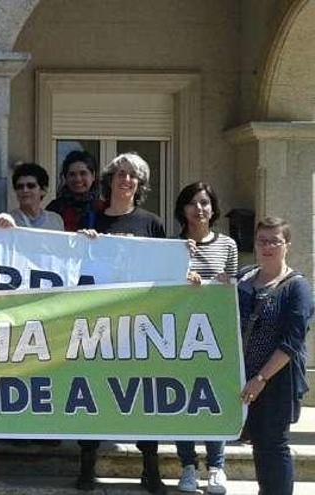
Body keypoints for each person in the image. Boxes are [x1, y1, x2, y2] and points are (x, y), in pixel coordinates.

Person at [76, 152, 166, 494]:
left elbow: (163, 272)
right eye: (121, 174)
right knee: (93, 392)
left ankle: (151, 468)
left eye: (133, 176)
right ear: (110, 180)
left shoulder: (151, 223)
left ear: (140, 185)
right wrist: (83, 244)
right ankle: (87, 465)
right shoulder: (92, 219)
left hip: (139, 323)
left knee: (143, 395)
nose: (126, 180)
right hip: (99, 322)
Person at [237, 216, 312, 495]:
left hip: (276, 380)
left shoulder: (297, 287)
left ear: (287, 245)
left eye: (275, 241)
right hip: (243, 377)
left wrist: (261, 378)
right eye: (262, 241)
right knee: (258, 443)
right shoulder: (243, 279)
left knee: (273, 445)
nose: (267, 247)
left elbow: (292, 342)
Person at [172, 182, 237, 494]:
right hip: (180, 334)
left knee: (213, 399)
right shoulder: (173, 245)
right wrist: (182, 280)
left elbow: (236, 291)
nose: (199, 209)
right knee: (184, 401)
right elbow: (161, 289)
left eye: (205, 203)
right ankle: (187, 466)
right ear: (182, 209)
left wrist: (222, 283)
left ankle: (216, 466)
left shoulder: (228, 245)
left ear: (213, 209)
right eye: (192, 203)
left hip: (215, 335)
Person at [46, 150, 103, 231]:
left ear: (93, 176)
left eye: (83, 173)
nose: (78, 179)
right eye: (72, 174)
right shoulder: (55, 208)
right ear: (66, 178)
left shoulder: (102, 209)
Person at [4, 162, 63, 230]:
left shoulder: (55, 220)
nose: (25, 190)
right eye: (20, 187)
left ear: (43, 190)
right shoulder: (8, 221)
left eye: (31, 186)